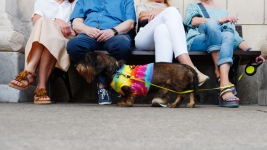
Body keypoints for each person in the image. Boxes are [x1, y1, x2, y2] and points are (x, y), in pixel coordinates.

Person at [183, 0, 265, 108]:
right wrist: (219, 20)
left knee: (228, 35)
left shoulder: (224, 12)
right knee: (212, 24)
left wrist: (250, 51)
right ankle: (222, 79)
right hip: (198, 42)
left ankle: (223, 83)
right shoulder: (193, 6)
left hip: (222, 41)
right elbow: (193, 21)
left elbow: (235, 37)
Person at [134, 0, 209, 107]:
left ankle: (162, 94)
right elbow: (141, 17)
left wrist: (160, 11)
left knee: (162, 28)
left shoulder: (171, 9)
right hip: (144, 39)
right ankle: (190, 67)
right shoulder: (143, 5)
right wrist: (163, 12)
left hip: (163, 39)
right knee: (171, 12)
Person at [66, 0, 136, 105]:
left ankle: (103, 84)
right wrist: (87, 29)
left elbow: (130, 23)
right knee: (74, 46)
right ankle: (107, 80)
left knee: (123, 45)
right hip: (89, 34)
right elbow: (76, 23)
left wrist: (113, 31)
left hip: (116, 34)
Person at [9, 0, 77, 104]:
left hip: (66, 40)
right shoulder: (42, 2)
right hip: (48, 40)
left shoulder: (75, 3)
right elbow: (37, 20)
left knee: (49, 33)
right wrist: (56, 20)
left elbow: (75, 28)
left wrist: (54, 25)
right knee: (46, 29)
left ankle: (29, 71)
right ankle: (41, 87)